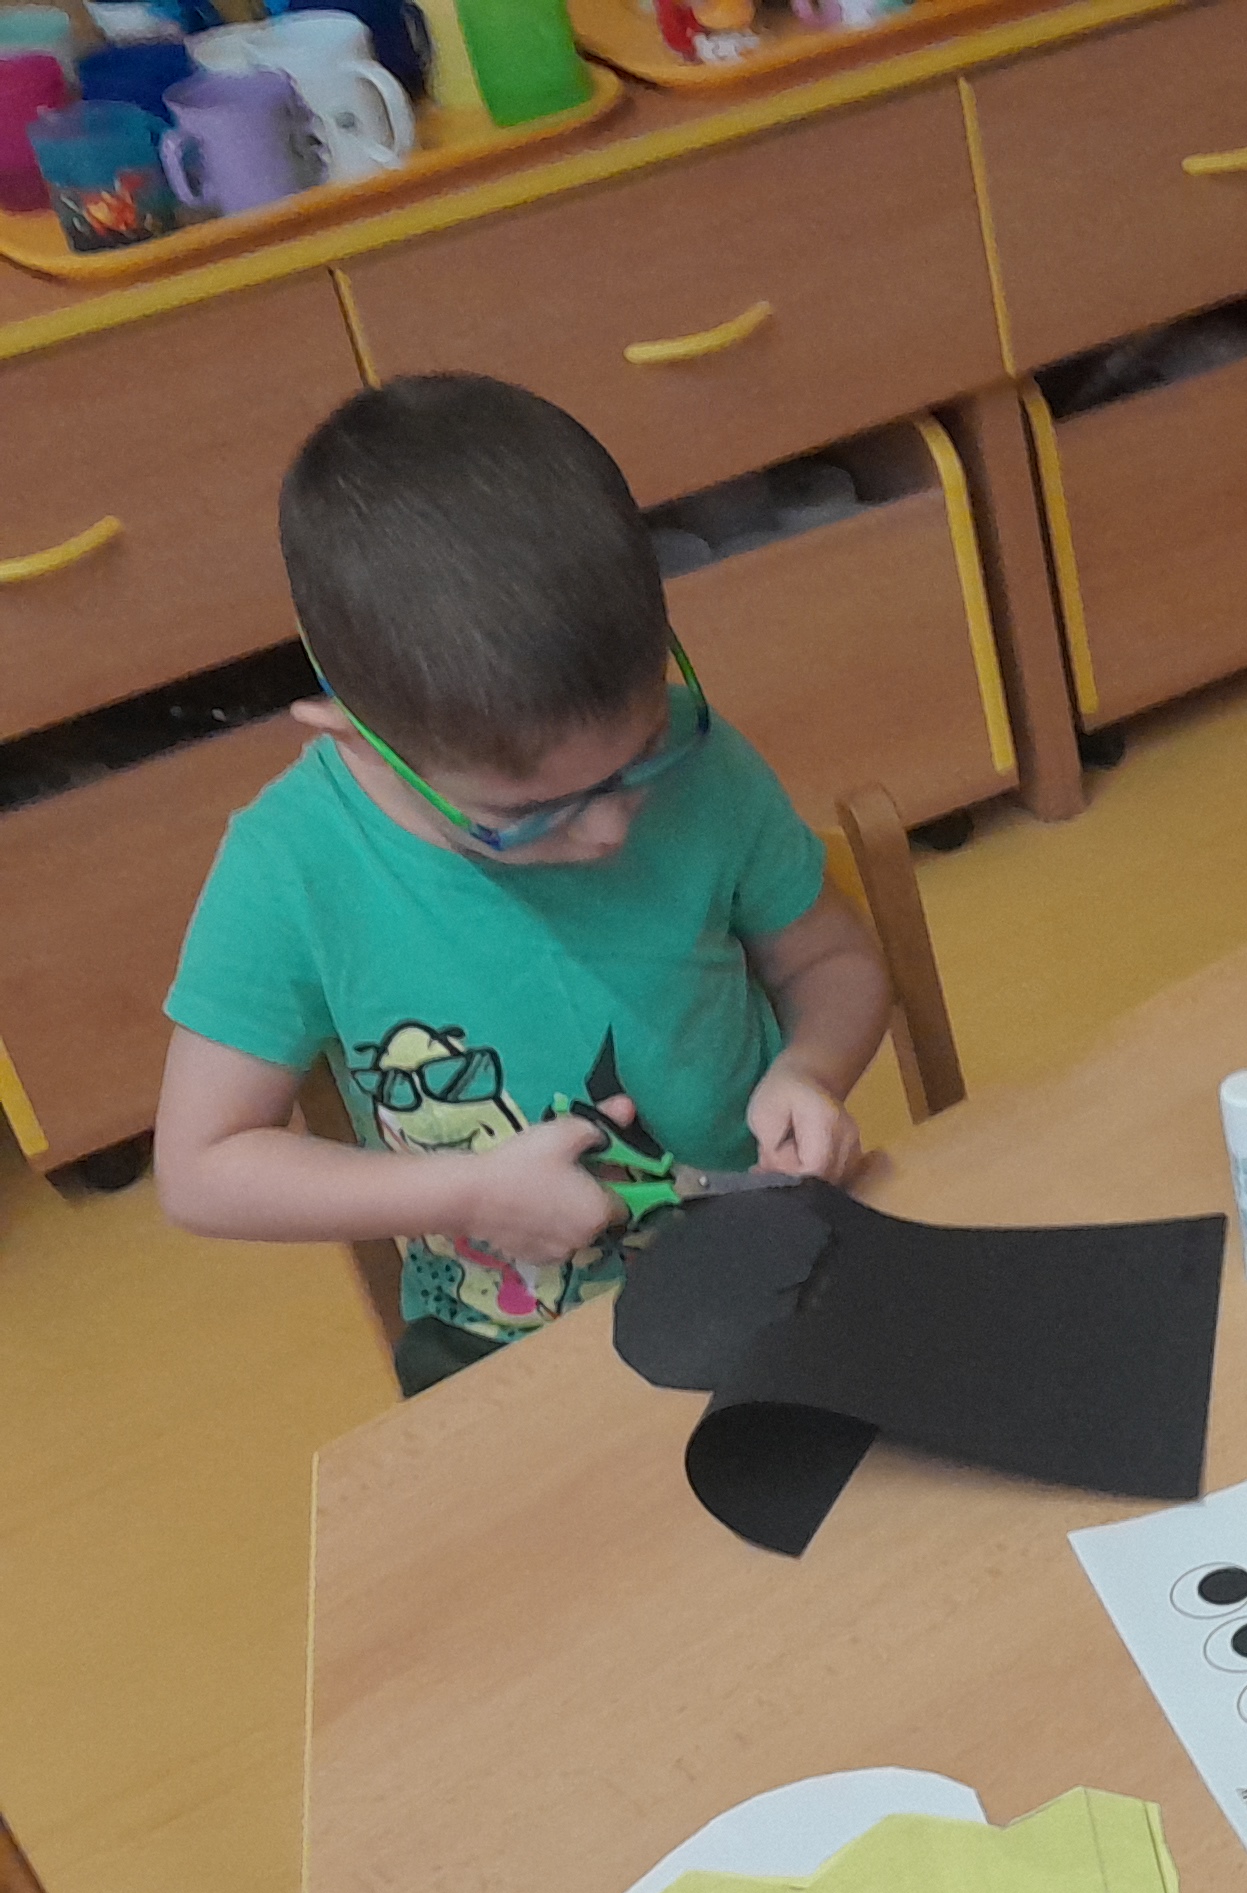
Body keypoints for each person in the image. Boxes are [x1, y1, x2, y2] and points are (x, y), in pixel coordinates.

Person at [152, 374, 889, 1397]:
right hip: (499, 1348)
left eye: (638, 757)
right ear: (356, 741)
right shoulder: (292, 866)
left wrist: (810, 1069)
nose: (610, 827)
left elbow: (833, 961)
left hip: (764, 1266)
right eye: (527, 813)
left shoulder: (703, 761)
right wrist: (467, 1193)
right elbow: (201, 1169)